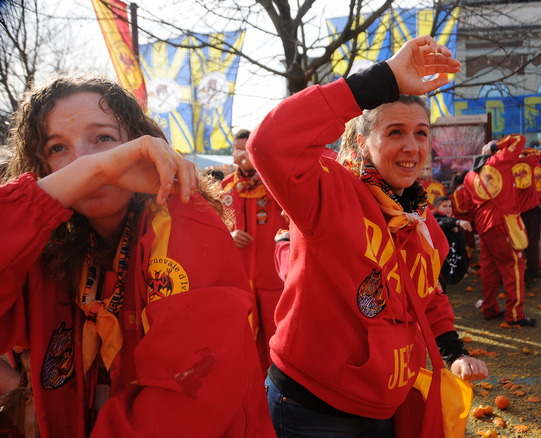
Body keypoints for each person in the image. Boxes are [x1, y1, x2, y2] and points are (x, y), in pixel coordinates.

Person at [0, 76, 274, 437]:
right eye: (57, 148)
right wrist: (85, 174)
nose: (83, 161)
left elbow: (184, 405)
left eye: (103, 139)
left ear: (139, 145)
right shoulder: (50, 247)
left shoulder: (181, 219)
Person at [247, 36, 488, 437]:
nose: (411, 146)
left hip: (386, 406)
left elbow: (427, 295)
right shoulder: (329, 190)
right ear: (362, 142)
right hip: (314, 412)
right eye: (395, 132)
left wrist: (453, 351)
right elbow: (271, 143)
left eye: (421, 133)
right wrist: (383, 79)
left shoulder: (420, 217)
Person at [221, 129, 287, 374]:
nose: (242, 155)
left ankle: (274, 388)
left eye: (247, 149)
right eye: (237, 149)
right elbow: (213, 226)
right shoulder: (225, 187)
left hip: (273, 279)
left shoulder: (273, 181)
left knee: (277, 339)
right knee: (242, 340)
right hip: (238, 279)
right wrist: (229, 236)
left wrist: (260, 165)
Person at [454, 135, 536, 326]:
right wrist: (494, 145)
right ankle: (515, 314)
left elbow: (467, 205)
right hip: (502, 223)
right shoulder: (499, 160)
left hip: (483, 225)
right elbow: (519, 139)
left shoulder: (469, 176)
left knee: (489, 268)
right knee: (513, 267)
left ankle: (489, 308)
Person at [514, 148, 541, 287]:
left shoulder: (509, 167)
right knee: (533, 242)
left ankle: (520, 273)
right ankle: (533, 271)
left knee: (517, 243)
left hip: (516, 212)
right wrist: (536, 198)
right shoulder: (536, 166)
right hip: (533, 209)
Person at [433, 196, 471, 290]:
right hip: (434, 263)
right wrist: (456, 222)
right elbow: (440, 222)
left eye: (450, 206)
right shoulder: (433, 217)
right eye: (445, 206)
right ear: (436, 208)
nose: (448, 208)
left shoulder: (451, 221)